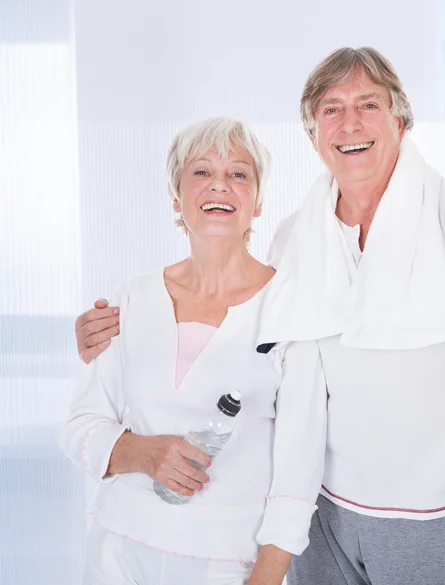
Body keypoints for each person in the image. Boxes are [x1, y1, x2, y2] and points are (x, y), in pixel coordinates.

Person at [75, 48, 445, 585]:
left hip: (428, 519)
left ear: (401, 119)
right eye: (331, 109)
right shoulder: (294, 238)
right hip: (321, 519)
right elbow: (247, 348)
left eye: (368, 104)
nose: (350, 123)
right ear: (312, 136)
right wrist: (107, 337)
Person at [61, 117, 327, 585]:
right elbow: (80, 426)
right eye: (201, 172)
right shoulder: (132, 299)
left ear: (259, 202)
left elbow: (298, 475)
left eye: (239, 174)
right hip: (116, 552)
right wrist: (142, 453)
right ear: (177, 197)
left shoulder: (288, 312)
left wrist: (265, 578)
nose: (219, 185)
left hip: (223, 563)